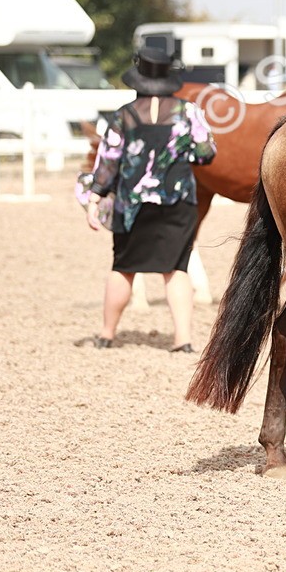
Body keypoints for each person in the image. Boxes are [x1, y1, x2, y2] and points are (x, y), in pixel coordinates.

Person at [86, 47, 217, 351]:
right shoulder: (189, 112)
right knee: (176, 268)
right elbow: (206, 153)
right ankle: (182, 340)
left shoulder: (124, 116)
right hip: (178, 202)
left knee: (123, 266)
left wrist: (94, 198)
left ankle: (107, 334)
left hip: (132, 204)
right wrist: (177, 151)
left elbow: (108, 162)